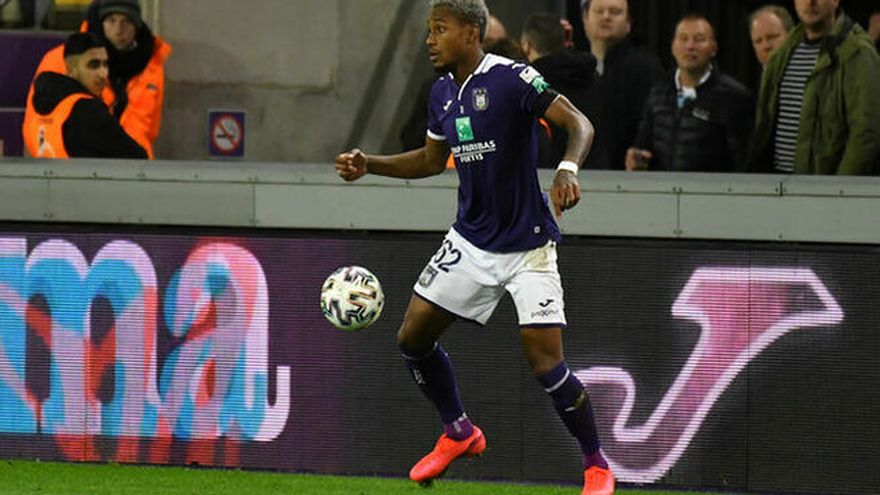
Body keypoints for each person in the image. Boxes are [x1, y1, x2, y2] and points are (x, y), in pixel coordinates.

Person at [337, 1, 614, 494]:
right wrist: (370, 165)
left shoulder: (511, 78)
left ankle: (596, 465)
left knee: (547, 363)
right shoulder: (442, 92)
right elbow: (430, 160)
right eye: (428, 30)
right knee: (412, 338)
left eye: (439, 29)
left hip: (528, 246)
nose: (429, 40)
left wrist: (567, 169)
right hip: (470, 240)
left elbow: (580, 123)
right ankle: (459, 431)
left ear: (471, 32)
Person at [22, 0, 171, 159]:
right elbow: (36, 121)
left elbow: (152, 128)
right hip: (72, 163)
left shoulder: (152, 65)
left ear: (137, 26)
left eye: (126, 21)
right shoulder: (61, 58)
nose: (118, 29)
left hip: (134, 164)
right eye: (111, 20)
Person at [747, 0, 880, 174]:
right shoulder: (784, 52)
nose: (810, 2)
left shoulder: (856, 52)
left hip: (822, 185)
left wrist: (837, 187)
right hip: (776, 183)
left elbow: (866, 134)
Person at [626, 14, 754, 172]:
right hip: (661, 186)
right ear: (673, 47)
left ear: (713, 49)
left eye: (698, 39)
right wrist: (636, 158)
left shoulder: (734, 97)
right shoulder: (658, 92)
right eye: (683, 38)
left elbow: (742, 163)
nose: (690, 46)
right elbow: (642, 144)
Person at [22, 32, 148, 159]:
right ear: (70, 69)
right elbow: (139, 160)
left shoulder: (39, 108)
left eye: (105, 64)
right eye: (93, 65)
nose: (103, 74)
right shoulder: (89, 111)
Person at [580, 0, 664, 169]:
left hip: (628, 174)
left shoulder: (646, 68)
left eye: (615, 12)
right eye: (599, 11)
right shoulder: (575, 69)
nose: (606, 17)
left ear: (628, 24)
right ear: (585, 20)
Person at [521, 12, 596, 167]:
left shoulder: (528, 87)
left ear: (527, 45)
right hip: (603, 174)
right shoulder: (594, 78)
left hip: (548, 175)